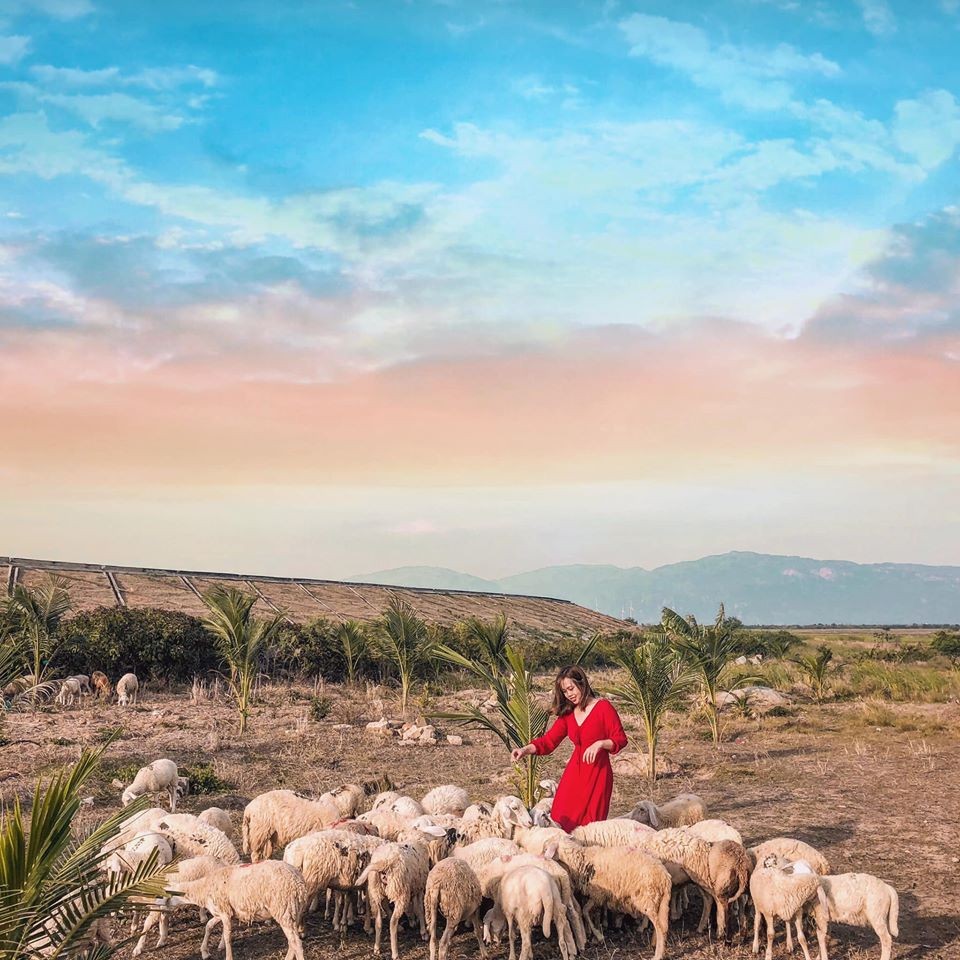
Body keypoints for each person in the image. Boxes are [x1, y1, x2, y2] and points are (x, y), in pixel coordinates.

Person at [511, 665, 628, 832]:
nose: (569, 694)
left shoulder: (603, 708)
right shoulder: (568, 714)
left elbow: (620, 739)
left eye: (571, 688)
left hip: (598, 776)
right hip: (573, 775)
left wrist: (600, 743)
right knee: (561, 820)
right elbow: (548, 741)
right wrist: (524, 750)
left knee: (590, 829)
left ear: (582, 683)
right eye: (565, 691)